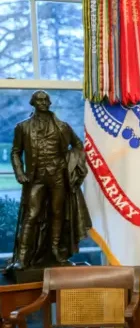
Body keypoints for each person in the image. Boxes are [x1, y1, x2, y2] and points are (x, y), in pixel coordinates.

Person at [8, 90, 91, 270]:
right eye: (40, 100)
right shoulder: (22, 127)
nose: (44, 102)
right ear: (33, 103)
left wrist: (70, 164)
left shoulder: (63, 127)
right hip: (35, 178)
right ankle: (22, 258)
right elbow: (15, 152)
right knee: (31, 215)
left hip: (58, 177)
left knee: (58, 213)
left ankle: (56, 250)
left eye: (46, 100)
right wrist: (19, 173)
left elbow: (78, 146)